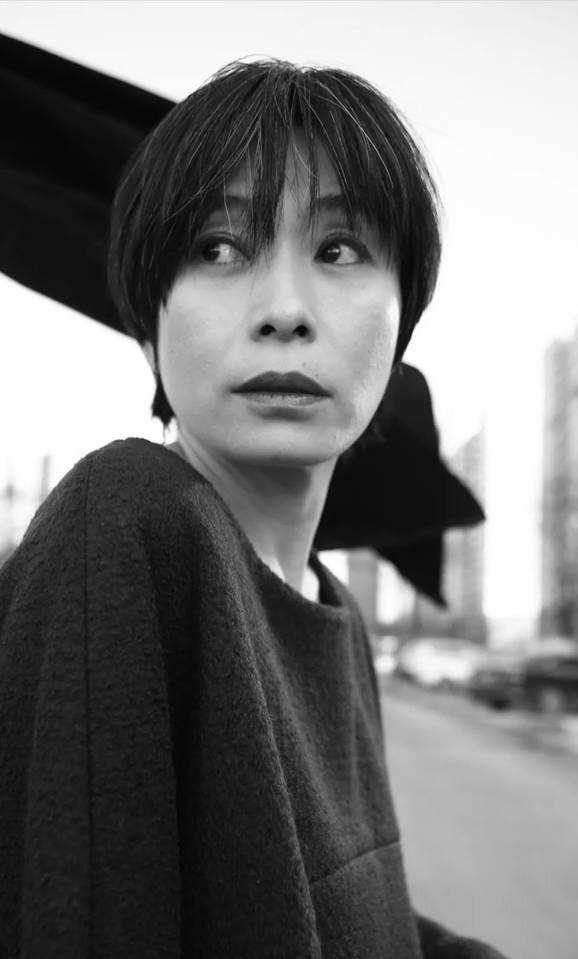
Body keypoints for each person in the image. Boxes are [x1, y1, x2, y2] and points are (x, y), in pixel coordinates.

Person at [0, 57, 507, 958]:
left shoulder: (332, 611)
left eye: (339, 249)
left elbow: (353, 915)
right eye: (219, 248)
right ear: (148, 326)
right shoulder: (129, 523)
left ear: (403, 324)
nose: (283, 311)